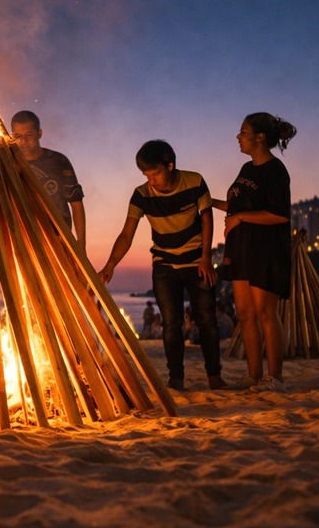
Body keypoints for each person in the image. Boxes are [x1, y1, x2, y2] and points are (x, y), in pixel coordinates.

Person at [99, 140, 225, 391]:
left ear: (170, 165)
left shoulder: (194, 181)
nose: (152, 180)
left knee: (206, 319)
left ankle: (214, 376)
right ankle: (176, 379)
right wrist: (111, 264)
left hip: (195, 260)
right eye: (146, 175)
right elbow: (127, 234)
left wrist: (205, 259)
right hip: (164, 263)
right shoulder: (141, 195)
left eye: (155, 173)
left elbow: (207, 218)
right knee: (171, 322)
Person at [213, 112, 295, 392]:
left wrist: (240, 219)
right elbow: (237, 205)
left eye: (243, 131)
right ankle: (253, 374)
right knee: (245, 313)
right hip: (241, 248)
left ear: (260, 137)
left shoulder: (275, 170)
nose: (238, 136)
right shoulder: (247, 170)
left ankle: (274, 377)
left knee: (265, 312)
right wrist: (210, 202)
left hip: (266, 248)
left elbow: (279, 215)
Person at [11, 111, 87, 248]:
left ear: (39, 133)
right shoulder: (8, 164)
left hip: (59, 239)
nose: (23, 141)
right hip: (25, 242)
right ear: (12, 137)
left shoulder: (58, 161)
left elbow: (76, 204)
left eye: (29, 135)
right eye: (18, 136)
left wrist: (81, 243)